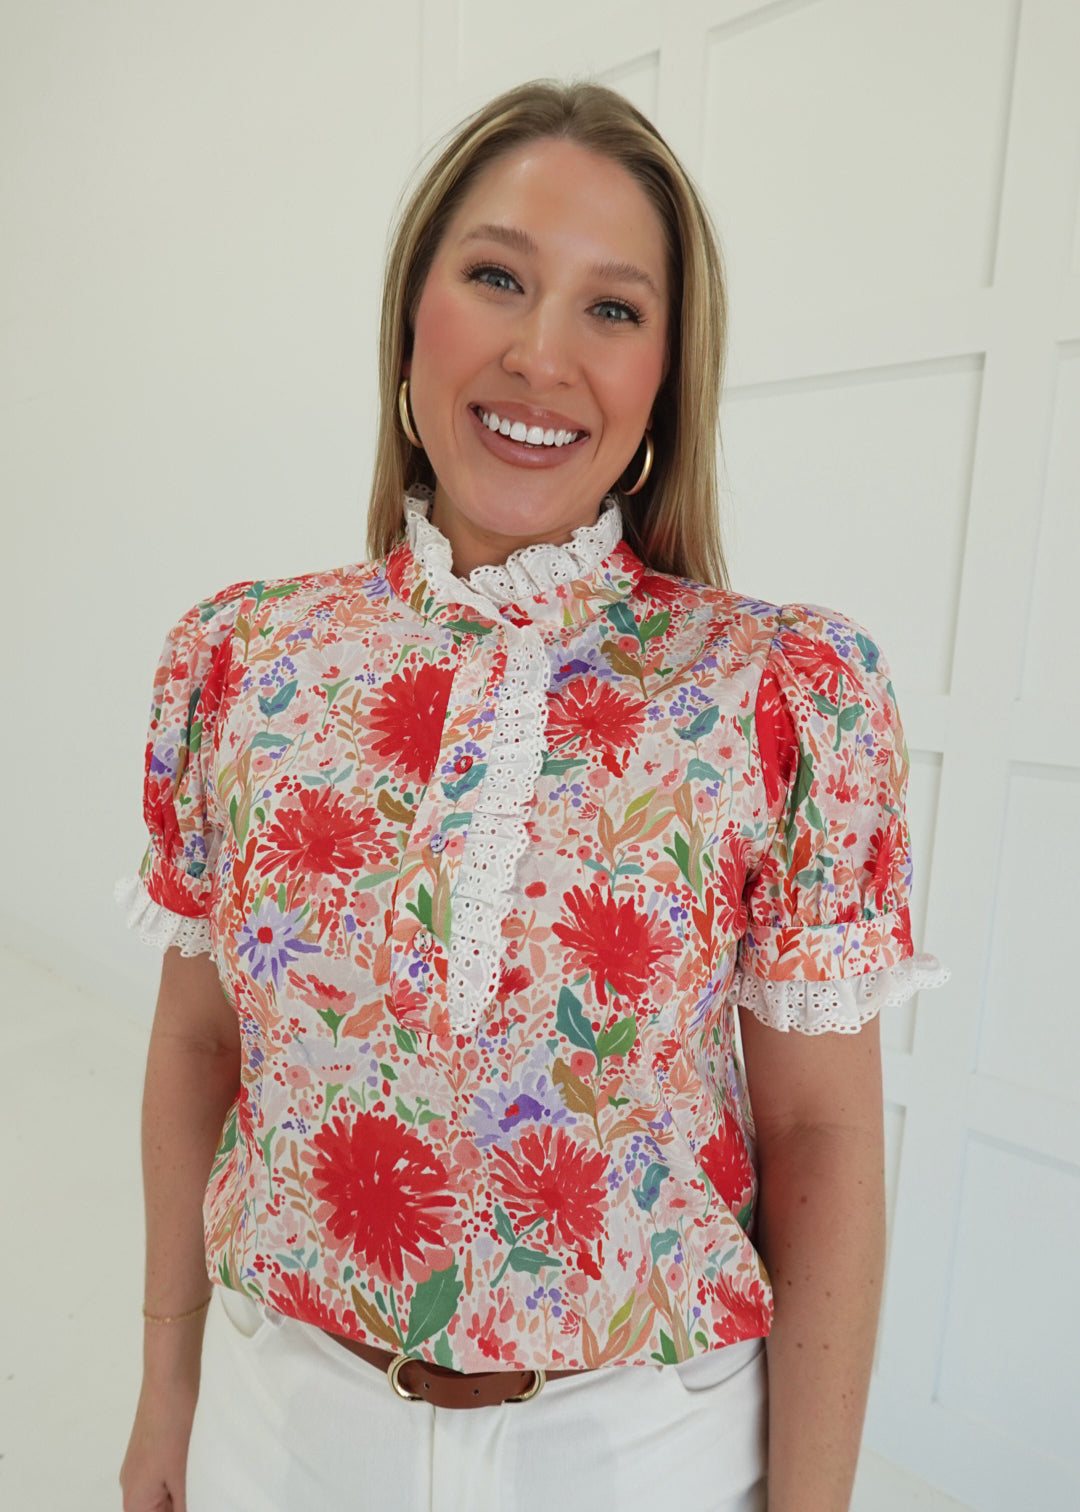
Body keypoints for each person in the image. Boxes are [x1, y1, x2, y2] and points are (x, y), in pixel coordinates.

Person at [117, 79, 946, 1512]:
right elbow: (200, 1046)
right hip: (284, 1430)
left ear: (666, 375)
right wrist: (165, 1390)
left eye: (612, 308)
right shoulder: (239, 658)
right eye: (497, 276)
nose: (541, 354)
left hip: (645, 1454)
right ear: (412, 315)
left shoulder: (784, 693)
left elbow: (823, 1138)